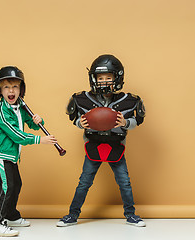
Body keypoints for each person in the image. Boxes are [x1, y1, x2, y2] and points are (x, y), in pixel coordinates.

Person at [57, 54, 146, 227]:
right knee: (84, 183)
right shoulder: (82, 99)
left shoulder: (128, 101)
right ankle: (72, 215)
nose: (104, 82)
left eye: (108, 78)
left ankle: (131, 215)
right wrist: (80, 123)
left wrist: (125, 122)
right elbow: (76, 120)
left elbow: (136, 122)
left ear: (117, 78)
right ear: (93, 79)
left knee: (124, 183)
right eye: (100, 78)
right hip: (93, 145)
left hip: (116, 146)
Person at [0, 66, 57, 237]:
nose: (11, 91)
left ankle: (10, 215)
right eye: (6, 87)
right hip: (1, 154)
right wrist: (40, 140)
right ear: (0, 90)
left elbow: (29, 123)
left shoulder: (19, 106)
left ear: (21, 89)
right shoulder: (2, 112)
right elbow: (17, 135)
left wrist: (37, 120)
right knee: (7, 186)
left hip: (12, 154)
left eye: (15, 87)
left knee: (16, 184)